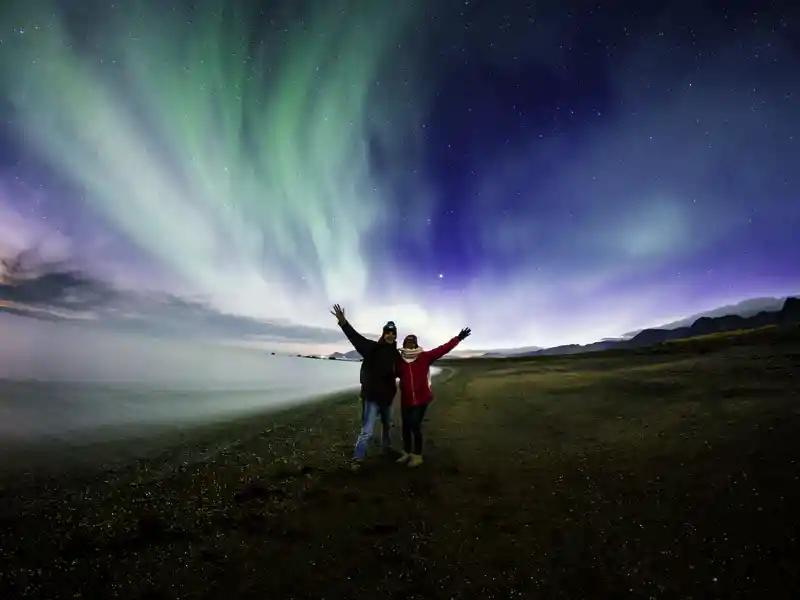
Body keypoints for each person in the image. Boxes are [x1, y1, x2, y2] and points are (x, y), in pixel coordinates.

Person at [330, 304, 399, 470]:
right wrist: (344, 323)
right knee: (367, 430)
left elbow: (407, 369)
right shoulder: (372, 348)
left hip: (387, 398)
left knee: (387, 425)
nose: (390, 335)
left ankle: (386, 449)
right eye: (387, 332)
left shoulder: (396, 354)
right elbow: (356, 338)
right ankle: (357, 458)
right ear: (383, 334)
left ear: (395, 336)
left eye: (393, 333)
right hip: (372, 397)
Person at [395, 327, 471, 467]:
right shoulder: (399, 361)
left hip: (421, 399)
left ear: (416, 344)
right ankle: (406, 453)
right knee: (405, 426)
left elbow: (443, 349)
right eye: (407, 342)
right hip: (406, 399)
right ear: (404, 344)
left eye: (413, 342)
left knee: (414, 425)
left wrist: (458, 338)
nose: (410, 344)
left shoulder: (424, 357)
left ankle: (417, 456)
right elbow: (389, 373)